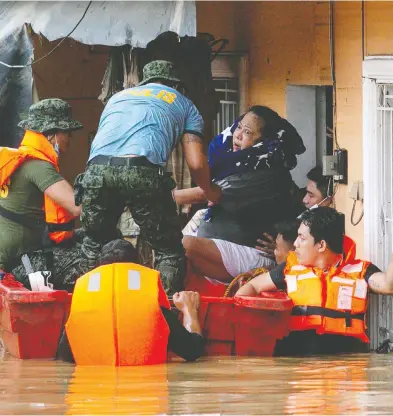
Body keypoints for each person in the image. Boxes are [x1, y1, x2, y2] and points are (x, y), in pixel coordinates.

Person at [77, 60, 221, 295]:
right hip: (142, 170)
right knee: (167, 251)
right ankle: (163, 313)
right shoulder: (184, 104)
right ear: (176, 85)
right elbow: (195, 163)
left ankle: (88, 305)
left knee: (94, 244)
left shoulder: (118, 98)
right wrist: (210, 191)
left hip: (97, 171)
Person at [236, 207, 393, 355]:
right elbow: (252, 286)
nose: (295, 244)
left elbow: (388, 285)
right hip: (298, 362)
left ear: (321, 245)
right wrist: (240, 320)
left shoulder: (360, 271)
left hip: (346, 364)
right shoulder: (289, 269)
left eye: (302, 238)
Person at [178, 106, 305, 281]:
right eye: (238, 127)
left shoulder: (266, 172)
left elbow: (207, 193)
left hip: (254, 255)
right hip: (223, 251)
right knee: (170, 249)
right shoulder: (240, 162)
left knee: (183, 246)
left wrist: (162, 197)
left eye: (247, 132)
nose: (237, 135)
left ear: (265, 141)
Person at [57, 290, 205, 363]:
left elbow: (64, 358)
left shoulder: (81, 314)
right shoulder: (157, 314)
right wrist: (188, 309)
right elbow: (193, 350)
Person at [256, 166, 334, 258]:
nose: (305, 200)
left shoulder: (330, 231)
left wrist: (285, 254)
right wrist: (280, 248)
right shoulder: (302, 218)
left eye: (311, 195)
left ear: (329, 198)